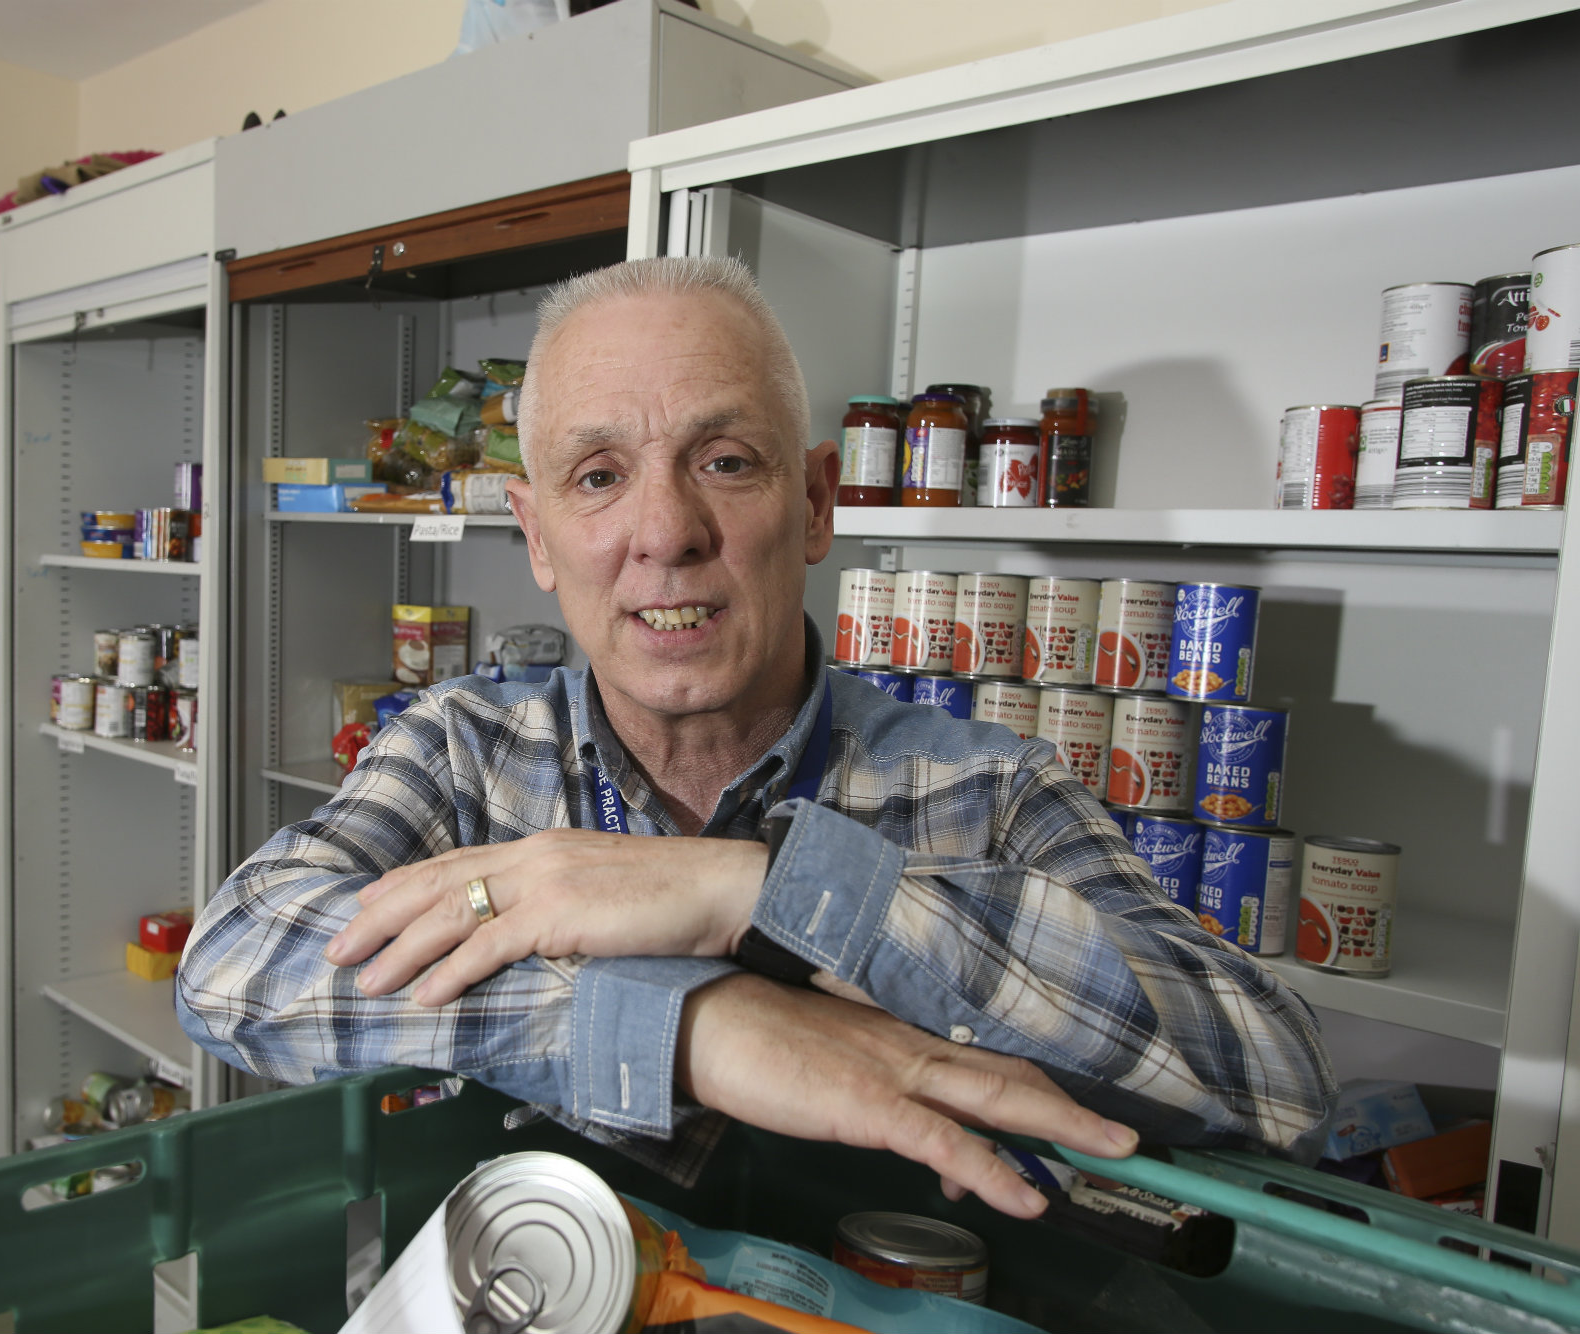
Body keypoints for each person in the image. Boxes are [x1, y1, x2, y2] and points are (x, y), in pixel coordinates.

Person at [178, 256, 1334, 1219]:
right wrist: (691, 1022)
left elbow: (1274, 1074)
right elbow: (235, 961)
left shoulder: (983, 786)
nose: (667, 532)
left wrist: (757, 891)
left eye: (724, 462)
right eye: (597, 476)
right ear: (534, 536)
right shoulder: (464, 752)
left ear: (818, 501)